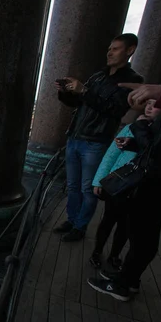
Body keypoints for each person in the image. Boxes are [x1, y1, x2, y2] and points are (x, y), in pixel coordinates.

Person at [88, 49, 161, 302]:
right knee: (141, 233)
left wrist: (141, 125)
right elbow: (159, 146)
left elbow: (158, 147)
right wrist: (133, 143)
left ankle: (124, 284)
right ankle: (128, 278)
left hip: (154, 180)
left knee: (141, 236)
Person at [53, 33, 144, 242]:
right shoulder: (98, 76)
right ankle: (71, 219)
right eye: (109, 48)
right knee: (73, 185)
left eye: (115, 48)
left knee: (88, 187)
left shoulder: (133, 81)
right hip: (75, 137)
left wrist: (84, 90)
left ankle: (80, 226)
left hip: (95, 142)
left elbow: (115, 110)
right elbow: (79, 104)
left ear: (130, 50)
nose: (109, 52)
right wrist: (66, 92)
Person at [89, 100, 161, 270]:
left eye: (156, 104)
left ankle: (114, 255)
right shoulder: (130, 127)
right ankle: (97, 252)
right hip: (118, 183)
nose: (149, 107)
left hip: (138, 187)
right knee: (108, 220)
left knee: (126, 225)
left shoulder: (160, 132)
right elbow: (110, 155)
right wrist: (99, 180)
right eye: (148, 103)